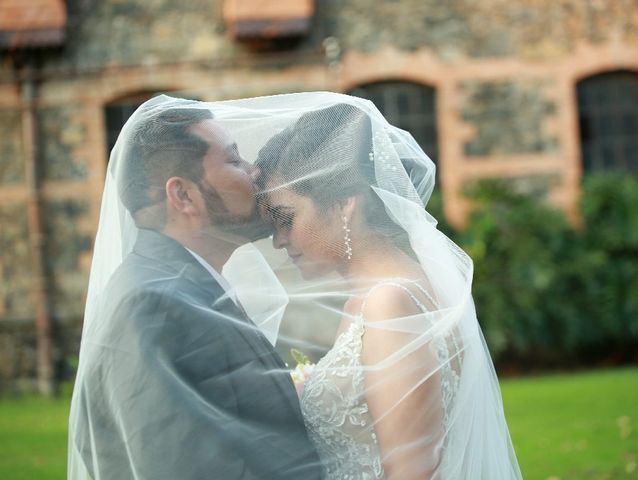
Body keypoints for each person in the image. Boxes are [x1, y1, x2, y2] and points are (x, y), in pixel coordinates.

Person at [251, 94, 523, 479]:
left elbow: (412, 471)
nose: (279, 240)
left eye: (285, 219)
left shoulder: (389, 303)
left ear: (345, 204)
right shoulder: (385, 293)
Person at [67, 95, 323, 479]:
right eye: (235, 160)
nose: (255, 172)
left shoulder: (187, 286)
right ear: (183, 195)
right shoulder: (152, 305)